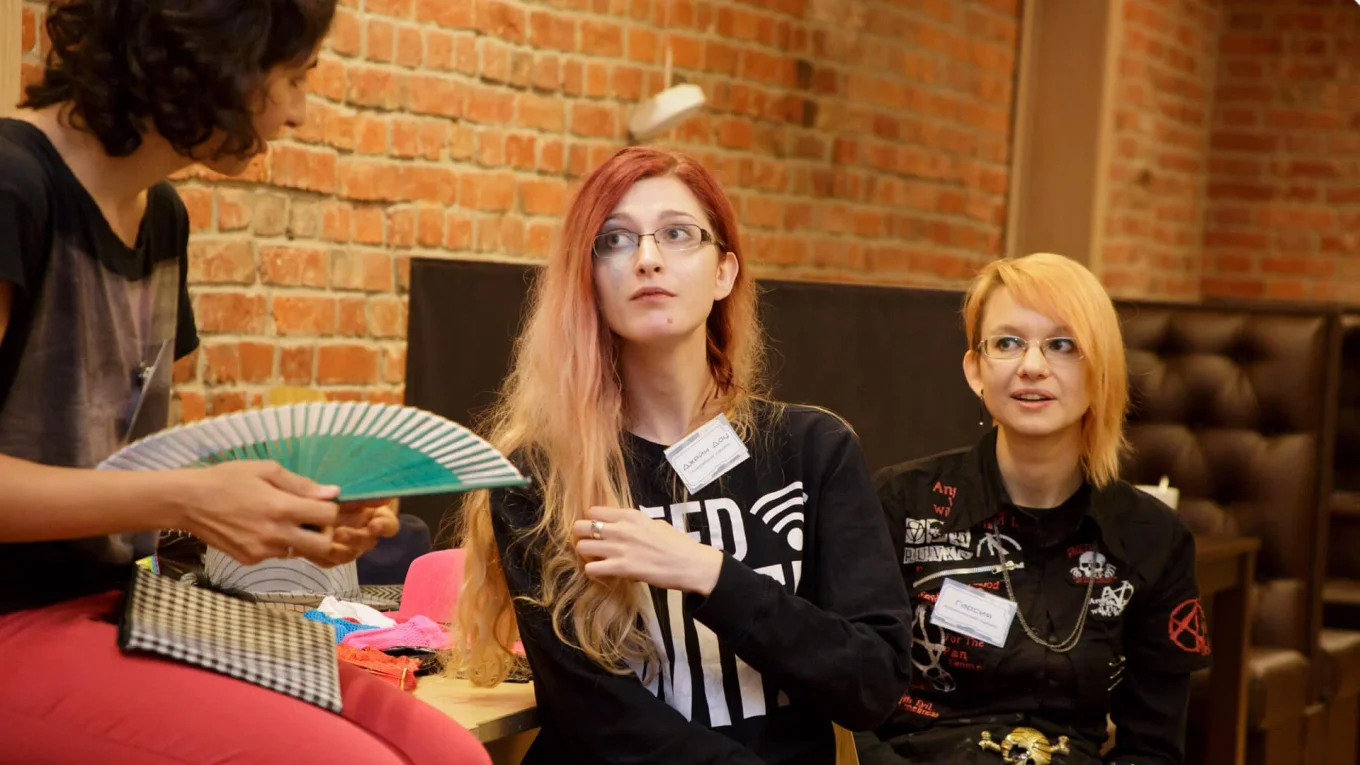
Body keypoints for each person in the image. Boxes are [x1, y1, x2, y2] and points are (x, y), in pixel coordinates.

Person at [0, 2, 490, 762]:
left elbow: (122, 478)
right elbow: (155, 493)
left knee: (448, 752)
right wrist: (188, 497)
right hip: (15, 622)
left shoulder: (161, 219)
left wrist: (281, 513)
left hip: (122, 603)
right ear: (209, 55)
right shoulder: (13, 186)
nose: (297, 112)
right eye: (291, 78)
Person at [452, 146, 914, 764]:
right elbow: (598, 721)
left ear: (724, 272)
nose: (647, 258)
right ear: (589, 279)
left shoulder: (814, 450)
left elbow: (872, 682)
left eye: (676, 234)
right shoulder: (539, 475)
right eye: (615, 240)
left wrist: (710, 574)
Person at [855, 253, 1211, 765]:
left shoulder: (1153, 539)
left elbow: (1152, 748)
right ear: (975, 370)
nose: (1032, 366)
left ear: (1100, 371)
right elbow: (847, 702)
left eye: (1062, 345)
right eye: (1007, 343)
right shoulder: (899, 503)